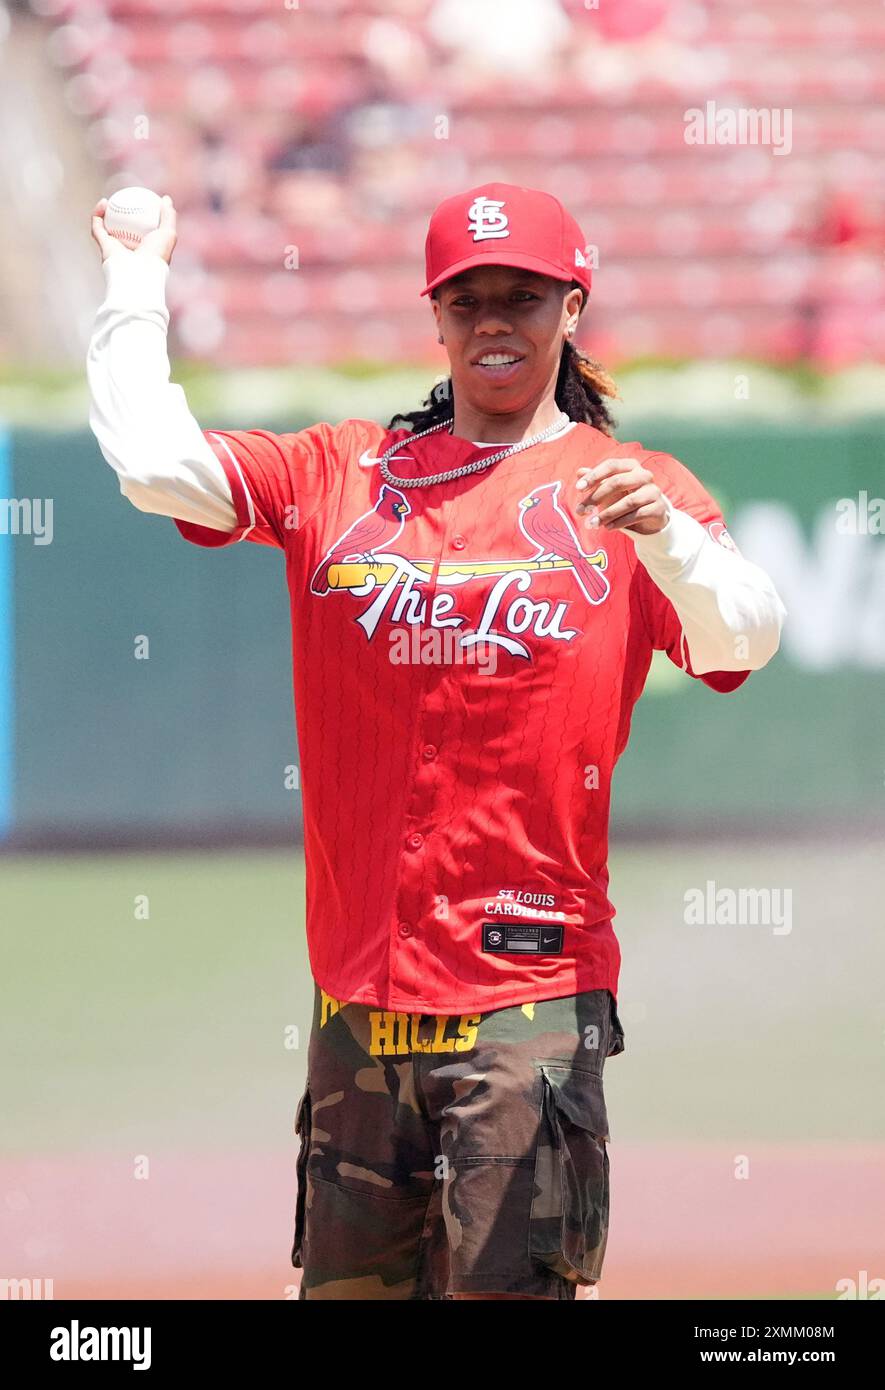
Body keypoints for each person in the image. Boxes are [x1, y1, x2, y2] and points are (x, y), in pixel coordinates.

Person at [87, 180, 786, 1301]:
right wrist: (134, 273)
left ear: (574, 305)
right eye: (467, 299)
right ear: (436, 315)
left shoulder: (628, 491)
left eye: (522, 295)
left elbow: (744, 637)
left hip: (529, 1005)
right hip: (359, 1007)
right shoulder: (347, 472)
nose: (494, 321)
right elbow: (153, 465)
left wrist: (672, 547)